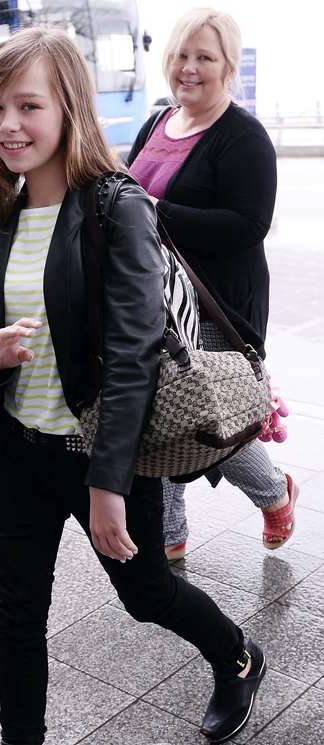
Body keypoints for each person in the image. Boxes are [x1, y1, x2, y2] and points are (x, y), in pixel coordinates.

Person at [0, 26, 266, 745]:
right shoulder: (1, 215)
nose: (7, 124)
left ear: (68, 108)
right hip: (18, 451)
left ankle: (237, 654)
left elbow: (132, 358)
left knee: (147, 592)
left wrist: (107, 484)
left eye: (28, 106)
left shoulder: (115, 207)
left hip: (101, 452)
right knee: (17, 612)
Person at [127, 8, 298, 561]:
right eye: (181, 54)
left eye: (205, 57)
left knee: (207, 409)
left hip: (217, 302)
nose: (189, 67)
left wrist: (156, 210)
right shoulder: (157, 123)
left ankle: (273, 493)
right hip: (156, 297)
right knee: (162, 407)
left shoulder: (243, 136)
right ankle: (171, 531)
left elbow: (249, 225)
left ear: (228, 67)